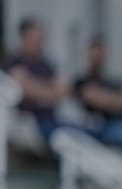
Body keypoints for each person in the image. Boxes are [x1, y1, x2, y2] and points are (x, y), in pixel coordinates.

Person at [2, 16, 72, 146]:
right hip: (27, 124)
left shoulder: (46, 64)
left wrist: (34, 87)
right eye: (36, 38)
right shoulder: (12, 62)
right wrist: (48, 89)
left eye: (41, 39)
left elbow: (63, 89)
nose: (40, 43)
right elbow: (22, 89)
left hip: (51, 121)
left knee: (81, 133)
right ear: (23, 37)